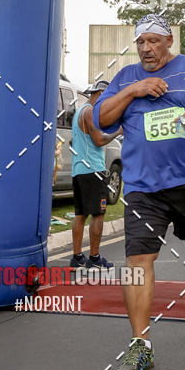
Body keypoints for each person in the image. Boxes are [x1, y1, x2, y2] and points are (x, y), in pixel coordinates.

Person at [94, 13, 185, 370]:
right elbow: (101, 120)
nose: (145, 48)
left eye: (152, 41)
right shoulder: (125, 77)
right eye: (140, 42)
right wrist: (133, 91)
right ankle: (140, 344)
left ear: (168, 40)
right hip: (143, 187)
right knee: (138, 259)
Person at [70, 78, 122, 271]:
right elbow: (99, 140)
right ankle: (94, 257)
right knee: (98, 214)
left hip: (79, 171)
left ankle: (77, 258)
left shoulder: (79, 112)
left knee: (80, 214)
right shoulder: (91, 112)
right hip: (93, 170)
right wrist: (118, 131)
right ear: (99, 94)